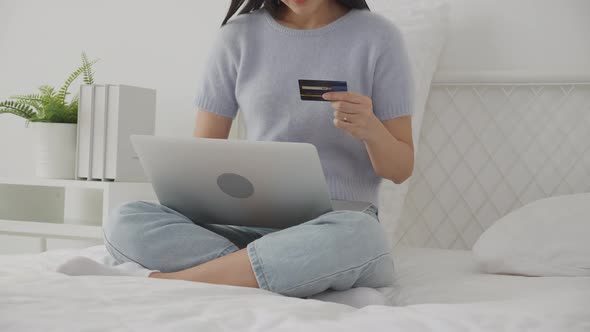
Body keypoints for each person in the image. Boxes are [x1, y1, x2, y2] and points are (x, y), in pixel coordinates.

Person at [102, 0, 415, 299]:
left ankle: (178, 281)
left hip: (334, 226)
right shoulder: (237, 37)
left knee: (361, 236)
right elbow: (199, 157)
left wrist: (371, 128)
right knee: (124, 220)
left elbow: (400, 169)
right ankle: (282, 273)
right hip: (244, 226)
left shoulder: (378, 37)